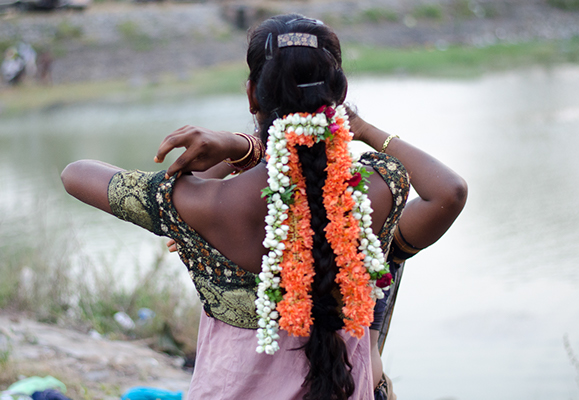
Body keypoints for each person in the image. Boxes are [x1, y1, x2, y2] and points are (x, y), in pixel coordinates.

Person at [62, 14, 467, 400]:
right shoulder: (377, 190)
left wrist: (245, 148)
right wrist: (361, 129)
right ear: (340, 95)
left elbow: (77, 173)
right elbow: (448, 191)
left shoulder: (204, 205)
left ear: (254, 93)